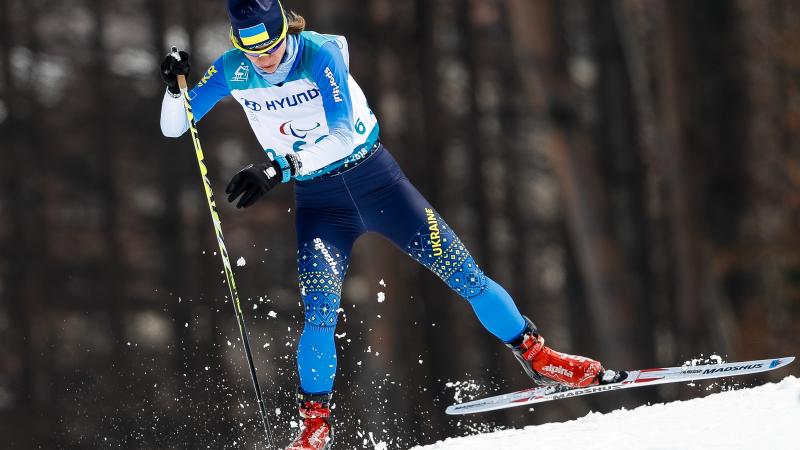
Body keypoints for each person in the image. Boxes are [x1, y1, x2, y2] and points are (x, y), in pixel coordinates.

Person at [159, 1, 613, 448]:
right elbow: (175, 127)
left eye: (272, 46)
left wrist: (279, 168)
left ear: (286, 31)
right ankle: (315, 428)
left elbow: (340, 134)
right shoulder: (233, 69)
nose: (264, 59)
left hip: (378, 184)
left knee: (466, 276)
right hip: (321, 205)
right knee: (318, 316)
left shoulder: (319, 54)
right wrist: (173, 88)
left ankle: (541, 357)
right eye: (252, 50)